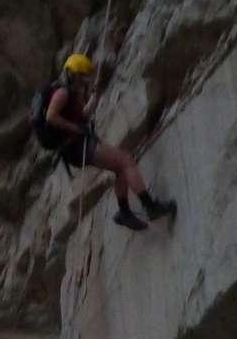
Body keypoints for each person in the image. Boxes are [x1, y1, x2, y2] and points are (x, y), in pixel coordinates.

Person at [42, 54, 177, 231]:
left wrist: (95, 95)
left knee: (120, 167)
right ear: (74, 74)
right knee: (126, 160)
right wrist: (75, 128)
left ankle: (124, 212)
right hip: (76, 146)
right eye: (82, 77)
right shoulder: (62, 93)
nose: (84, 81)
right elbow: (50, 117)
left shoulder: (71, 94)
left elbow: (83, 116)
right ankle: (150, 206)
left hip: (76, 146)